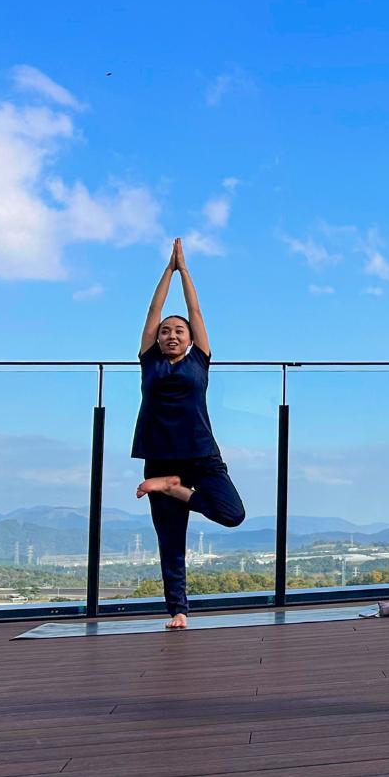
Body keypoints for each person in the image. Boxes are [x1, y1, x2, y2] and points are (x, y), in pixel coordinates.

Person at [133, 238, 246, 629]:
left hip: (201, 455)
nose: (171, 335)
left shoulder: (200, 359)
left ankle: (171, 488)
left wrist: (185, 270)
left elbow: (195, 309)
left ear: (190, 338)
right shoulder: (149, 363)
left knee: (233, 514)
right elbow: (153, 310)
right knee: (171, 541)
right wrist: (167, 271)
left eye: (179, 331)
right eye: (165, 331)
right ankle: (178, 611)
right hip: (161, 456)